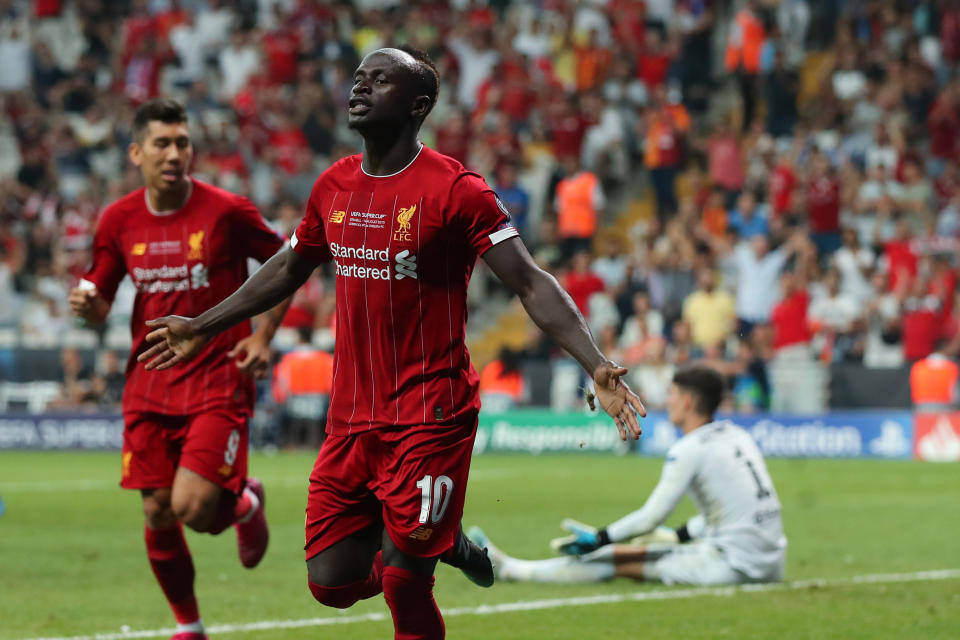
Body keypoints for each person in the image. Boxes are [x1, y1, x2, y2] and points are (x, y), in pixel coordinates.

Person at [138, 46, 645, 640]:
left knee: (406, 580)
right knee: (330, 583)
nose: (359, 89)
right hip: (351, 417)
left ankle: (421, 542)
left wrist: (596, 365)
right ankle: (441, 538)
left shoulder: (457, 189)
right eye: (358, 79)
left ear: (417, 105)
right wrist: (202, 325)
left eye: (379, 81)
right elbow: (290, 266)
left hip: (431, 412)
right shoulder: (333, 185)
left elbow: (530, 281)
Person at [69, 98, 290, 640]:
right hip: (149, 381)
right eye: (163, 144)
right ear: (136, 152)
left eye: (183, 142)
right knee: (158, 511)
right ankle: (189, 626)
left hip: (219, 375)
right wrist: (89, 307)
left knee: (191, 507)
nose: (174, 154)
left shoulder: (226, 211)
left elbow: (289, 259)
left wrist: (263, 336)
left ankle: (241, 502)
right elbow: (102, 294)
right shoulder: (118, 219)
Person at [471, 366, 786, 587]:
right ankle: (514, 567)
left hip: (735, 567)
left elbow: (651, 517)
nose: (669, 400)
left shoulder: (690, 448)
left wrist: (599, 539)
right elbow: (735, 509)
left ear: (688, 401)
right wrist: (678, 536)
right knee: (631, 552)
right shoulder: (736, 435)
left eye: (673, 394)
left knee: (612, 558)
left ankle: (512, 569)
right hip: (770, 559)